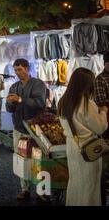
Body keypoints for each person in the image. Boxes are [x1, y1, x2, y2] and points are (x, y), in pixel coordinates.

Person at [58, 68, 108, 206]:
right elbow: (100, 127)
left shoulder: (63, 101)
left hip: (72, 146)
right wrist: (103, 112)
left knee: (75, 181)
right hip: (89, 147)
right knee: (89, 185)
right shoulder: (87, 103)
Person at [6, 58, 46, 201]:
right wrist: (10, 103)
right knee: (22, 160)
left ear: (27, 69)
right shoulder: (14, 87)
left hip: (36, 131)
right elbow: (9, 108)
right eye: (16, 70)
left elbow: (40, 103)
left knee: (39, 161)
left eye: (20, 70)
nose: (18, 73)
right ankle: (25, 189)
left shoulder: (38, 84)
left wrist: (21, 100)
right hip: (19, 129)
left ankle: (42, 192)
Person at [93, 52, 109, 205]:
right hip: (106, 127)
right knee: (104, 168)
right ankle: (101, 199)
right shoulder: (100, 79)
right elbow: (101, 103)